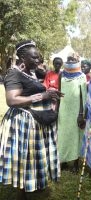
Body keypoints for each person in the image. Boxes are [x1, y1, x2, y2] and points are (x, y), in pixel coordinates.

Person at [0, 40, 62, 199]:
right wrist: (43, 95)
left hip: (35, 121)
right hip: (23, 123)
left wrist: (51, 92)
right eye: (34, 58)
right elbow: (12, 100)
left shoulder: (30, 71)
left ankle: (32, 184)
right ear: (22, 57)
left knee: (32, 158)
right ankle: (24, 190)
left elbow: (32, 88)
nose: (38, 61)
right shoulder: (14, 74)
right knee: (25, 157)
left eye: (38, 57)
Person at [57, 55, 87, 173]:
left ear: (77, 62)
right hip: (63, 110)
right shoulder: (61, 74)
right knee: (63, 135)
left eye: (73, 61)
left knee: (75, 136)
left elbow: (82, 96)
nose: (70, 62)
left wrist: (81, 113)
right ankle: (63, 161)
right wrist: (56, 110)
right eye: (68, 60)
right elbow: (59, 94)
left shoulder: (82, 76)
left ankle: (75, 163)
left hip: (76, 111)